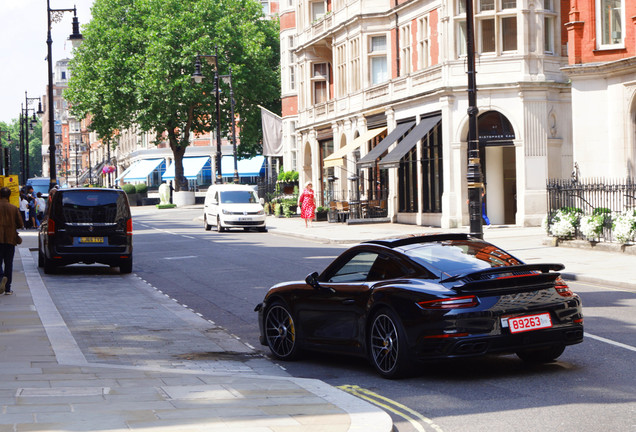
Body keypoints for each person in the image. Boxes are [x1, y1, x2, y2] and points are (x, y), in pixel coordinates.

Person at [0, 187, 24, 295]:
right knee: (9, 263)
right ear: (9, 196)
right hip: (10, 239)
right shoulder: (14, 208)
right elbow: (20, 224)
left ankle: (1, 279)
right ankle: (8, 288)